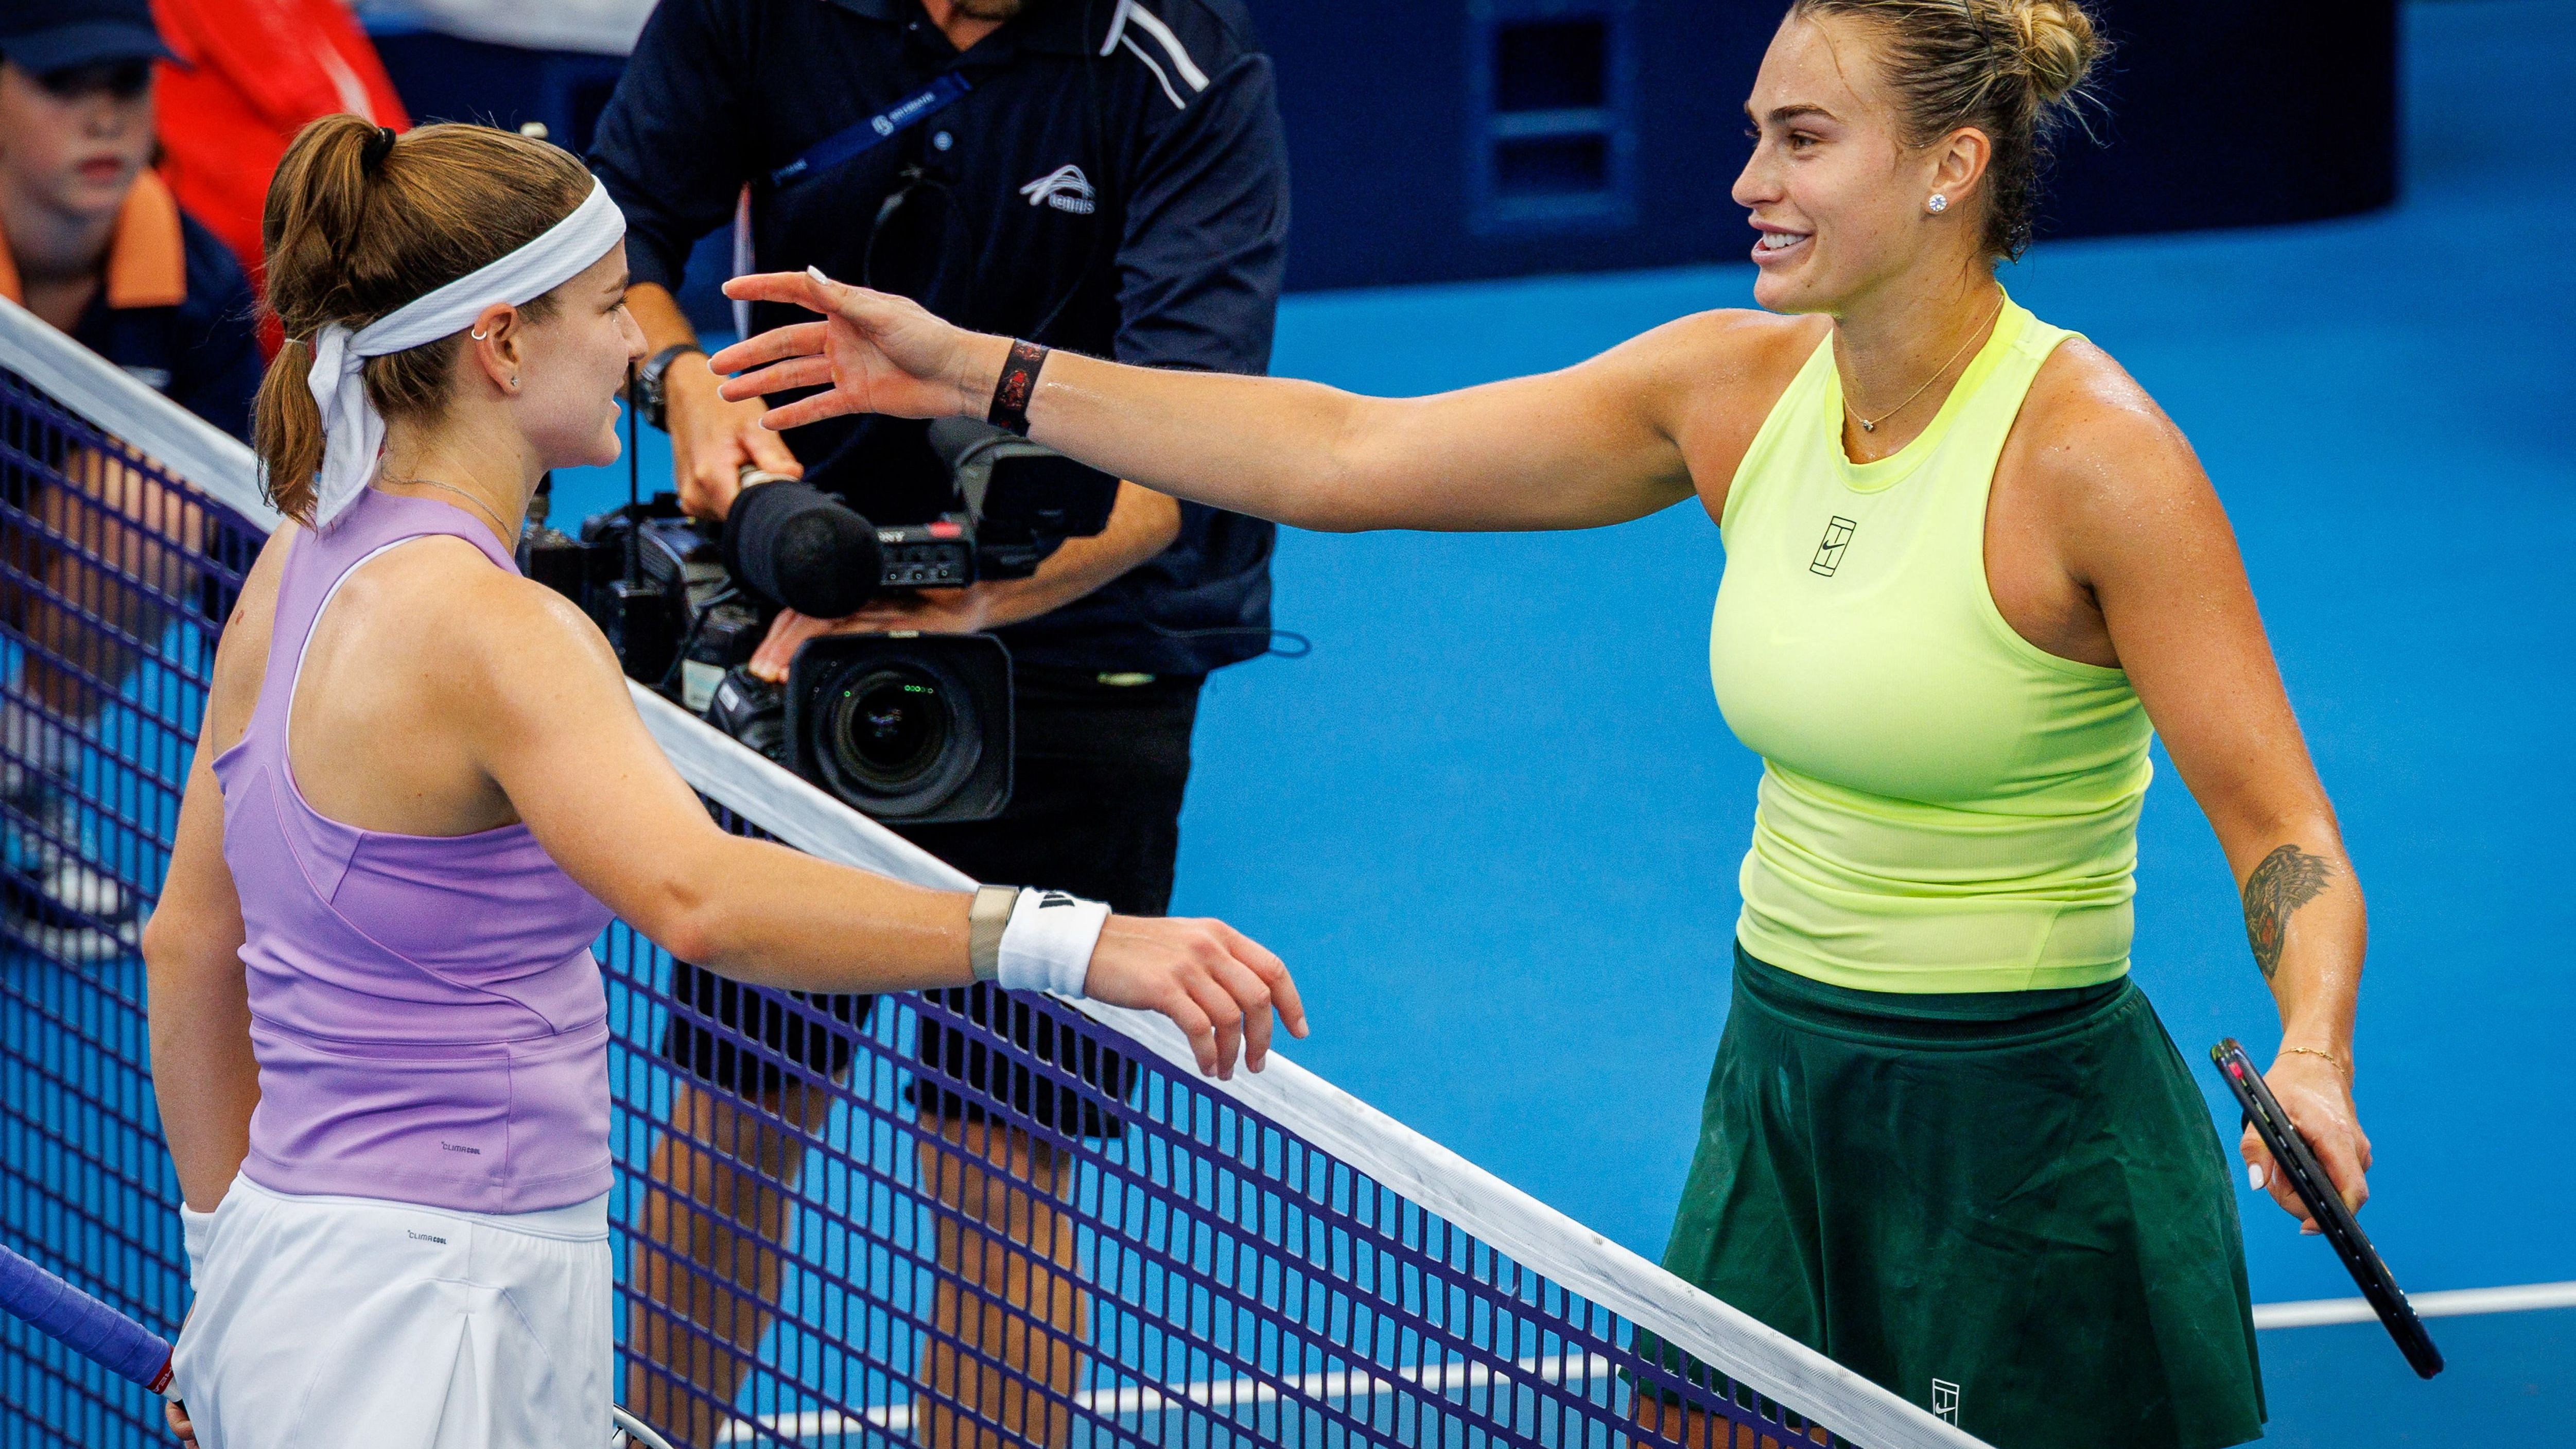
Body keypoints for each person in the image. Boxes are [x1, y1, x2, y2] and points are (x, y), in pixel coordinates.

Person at [708, 1, 2378, 1443]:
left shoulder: (2094, 459)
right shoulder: (1737, 389)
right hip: (1779, 1095)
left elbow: (2284, 836)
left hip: (2011, 1145)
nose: (1747, 183)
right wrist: (976, 367)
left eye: (1800, 140)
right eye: (1749, 135)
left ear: (1948, 165)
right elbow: (1341, 454)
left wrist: (2307, 1048)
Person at [140, 114, 1301, 1449]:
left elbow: (190, 943)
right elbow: (698, 901)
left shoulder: (298, 559)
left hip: (294, 1271)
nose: (636, 345)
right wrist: (1059, 936)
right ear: (501, 342)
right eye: (600, 307)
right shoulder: (498, 632)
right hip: (444, 1310)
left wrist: (230, 1269)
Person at [585, 1, 1290, 1441]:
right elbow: (617, 243)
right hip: (804, 603)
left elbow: (1182, 459)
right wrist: (682, 390)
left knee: (1002, 1154)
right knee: (737, 1107)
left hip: (1088, 647)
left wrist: (951, 604)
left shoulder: (1183, 69)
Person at [0, 0, 264, 960]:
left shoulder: (197, 278)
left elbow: (243, 537)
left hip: (50, 547)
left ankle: (20, 782)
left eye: (124, 85)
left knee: (155, 496)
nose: (103, 118)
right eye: (62, 86)